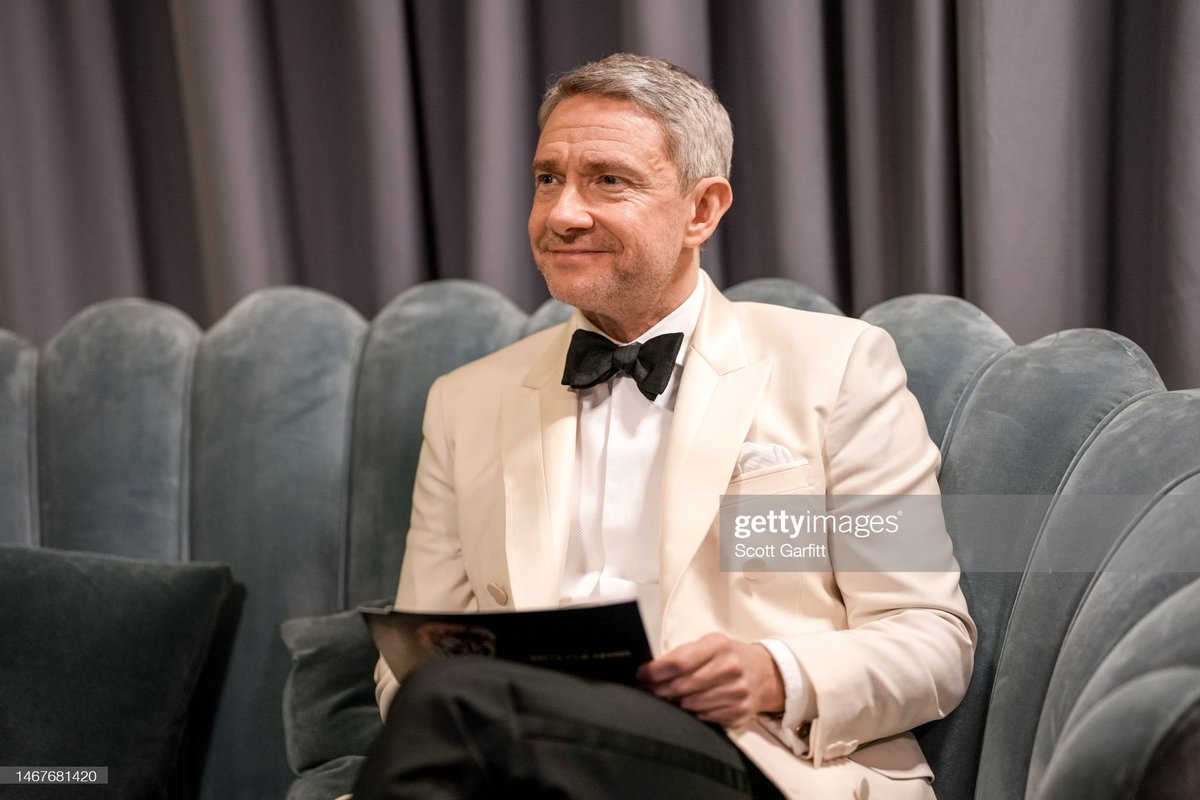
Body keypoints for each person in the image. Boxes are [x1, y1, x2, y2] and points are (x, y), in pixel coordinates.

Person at [354, 53, 976, 799]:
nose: (561, 214)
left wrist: (774, 672)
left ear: (702, 210)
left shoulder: (839, 367)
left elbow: (931, 639)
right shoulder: (465, 402)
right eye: (548, 178)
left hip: (752, 763)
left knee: (451, 702)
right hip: (520, 757)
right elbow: (408, 663)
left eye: (608, 180)